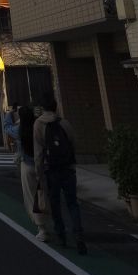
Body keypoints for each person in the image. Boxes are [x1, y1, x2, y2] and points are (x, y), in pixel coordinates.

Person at [34, 93, 87, 255]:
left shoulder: (39, 124)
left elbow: (39, 152)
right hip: (68, 169)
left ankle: (61, 234)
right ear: (56, 108)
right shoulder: (64, 123)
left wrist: (39, 173)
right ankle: (78, 235)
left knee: (55, 203)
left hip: (51, 170)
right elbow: (73, 144)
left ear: (43, 108)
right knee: (72, 203)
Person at [6, 106, 52, 241]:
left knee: (32, 197)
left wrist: (9, 114)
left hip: (27, 166)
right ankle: (49, 225)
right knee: (43, 195)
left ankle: (42, 228)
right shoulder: (39, 127)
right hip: (43, 166)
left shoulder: (20, 130)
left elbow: (7, 128)